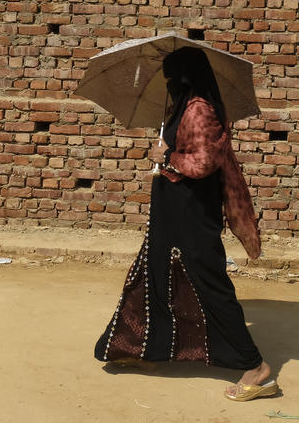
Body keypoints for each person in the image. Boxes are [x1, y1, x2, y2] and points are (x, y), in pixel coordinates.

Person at [94, 46, 277, 403]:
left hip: (192, 215)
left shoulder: (200, 109)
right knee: (155, 274)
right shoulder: (181, 106)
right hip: (172, 212)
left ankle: (256, 368)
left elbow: (204, 162)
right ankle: (146, 347)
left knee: (209, 283)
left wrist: (168, 156)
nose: (167, 83)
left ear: (185, 76)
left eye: (171, 76)